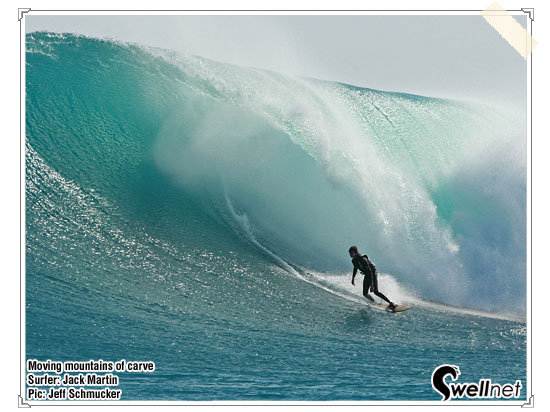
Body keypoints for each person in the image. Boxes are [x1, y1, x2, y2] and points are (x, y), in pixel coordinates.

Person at [349, 246, 396, 311]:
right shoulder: (354, 260)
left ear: (355, 252)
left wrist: (371, 285)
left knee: (375, 291)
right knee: (365, 294)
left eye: (351, 253)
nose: (350, 254)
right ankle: (374, 302)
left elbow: (370, 271)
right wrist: (353, 278)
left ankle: (391, 303)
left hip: (372, 273)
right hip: (367, 274)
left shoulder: (363, 259)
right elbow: (355, 268)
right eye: (350, 253)